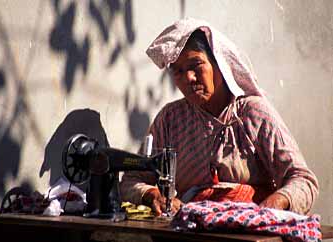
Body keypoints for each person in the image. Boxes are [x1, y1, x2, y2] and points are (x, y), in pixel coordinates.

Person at [120, 18, 318, 216]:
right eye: (178, 71)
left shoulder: (253, 114)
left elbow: (303, 180)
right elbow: (131, 180)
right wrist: (152, 194)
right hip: (191, 230)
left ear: (219, 64)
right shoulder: (170, 119)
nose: (188, 77)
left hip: (247, 233)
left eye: (196, 64)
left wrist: (277, 202)